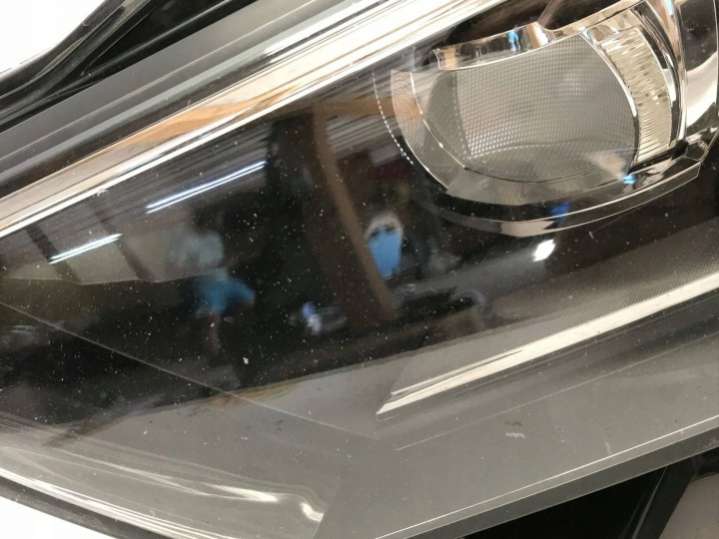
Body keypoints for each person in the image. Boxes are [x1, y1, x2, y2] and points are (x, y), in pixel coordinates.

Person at [170, 210, 255, 354]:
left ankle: (232, 327)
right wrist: (208, 267)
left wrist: (233, 260)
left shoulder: (214, 237)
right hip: (204, 282)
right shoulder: (186, 240)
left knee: (249, 298)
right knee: (212, 316)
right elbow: (176, 269)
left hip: (224, 280)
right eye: (208, 219)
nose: (212, 222)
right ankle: (213, 350)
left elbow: (222, 260)